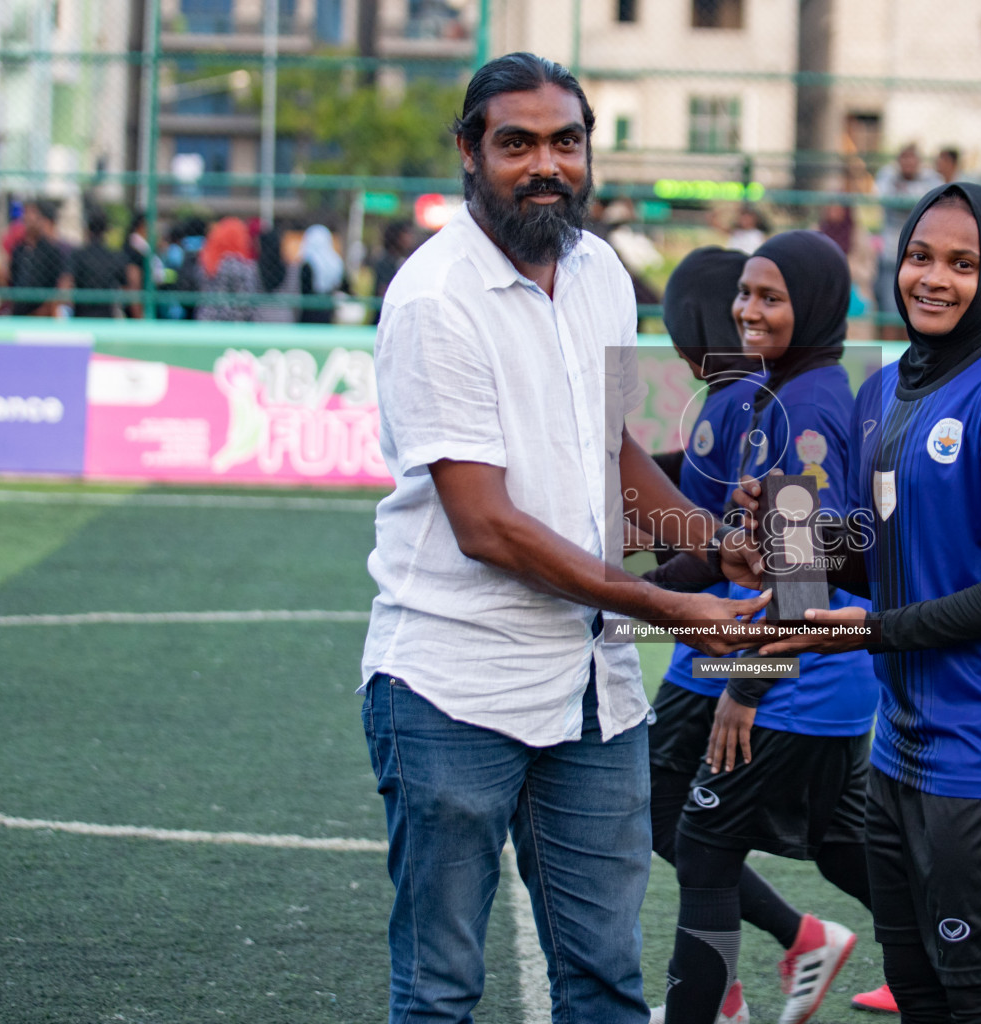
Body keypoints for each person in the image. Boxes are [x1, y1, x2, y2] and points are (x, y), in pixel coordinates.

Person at [360, 52, 769, 1024]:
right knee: (442, 988)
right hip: (453, 688)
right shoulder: (432, 300)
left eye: (566, 142)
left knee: (604, 983)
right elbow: (487, 525)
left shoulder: (600, 276)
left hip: (592, 699)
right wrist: (666, 605)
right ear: (470, 153)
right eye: (517, 144)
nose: (546, 164)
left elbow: (613, 446)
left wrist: (714, 542)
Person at [733, 183, 981, 1024]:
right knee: (922, 995)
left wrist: (877, 633)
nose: (935, 278)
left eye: (963, 264)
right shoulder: (884, 389)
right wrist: (782, 549)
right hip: (902, 755)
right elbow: (883, 557)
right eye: (922, 257)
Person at [648, 233, 878, 1024]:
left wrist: (744, 687)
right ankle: (962, 958)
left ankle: (711, 1010)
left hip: (792, 680)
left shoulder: (808, 408)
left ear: (813, 307)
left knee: (704, 846)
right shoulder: (781, 391)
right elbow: (756, 547)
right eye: (745, 293)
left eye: (770, 298)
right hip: (795, 675)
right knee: (842, 844)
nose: (748, 310)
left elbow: (804, 576)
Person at [873, 145, 942, 340]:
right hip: (891, 256)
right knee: (889, 311)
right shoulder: (887, 176)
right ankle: (890, 363)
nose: (909, 164)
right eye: (905, 159)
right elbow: (883, 194)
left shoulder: (930, 178)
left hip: (921, 258)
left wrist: (906, 195)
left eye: (913, 160)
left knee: (915, 310)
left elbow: (933, 199)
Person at [7, 199, 72, 316]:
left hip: (42, 313)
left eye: (34, 215)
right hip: (19, 311)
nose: (29, 219)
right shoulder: (19, 250)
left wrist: (44, 310)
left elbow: (59, 285)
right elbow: (13, 278)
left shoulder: (51, 251)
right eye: (26, 215)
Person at [197, 217, 260, 322]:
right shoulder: (241, 266)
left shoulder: (206, 260)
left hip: (208, 320)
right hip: (233, 324)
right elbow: (246, 301)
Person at [71, 207, 129, 318]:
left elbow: (67, 283)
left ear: (87, 229)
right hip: (106, 316)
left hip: (81, 315)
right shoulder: (114, 257)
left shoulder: (78, 255)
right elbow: (126, 287)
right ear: (106, 230)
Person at [297, 223, 349, 323]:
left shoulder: (307, 263)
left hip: (308, 311)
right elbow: (344, 285)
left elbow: (304, 290)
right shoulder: (336, 262)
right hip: (328, 309)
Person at [370, 219, 415, 322]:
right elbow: (383, 291)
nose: (410, 238)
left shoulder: (408, 260)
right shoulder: (385, 261)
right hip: (383, 316)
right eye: (406, 234)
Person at [253, 226, 298, 323]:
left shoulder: (254, 269)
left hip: (260, 318)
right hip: (284, 318)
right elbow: (295, 297)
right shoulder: (290, 269)